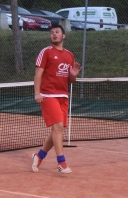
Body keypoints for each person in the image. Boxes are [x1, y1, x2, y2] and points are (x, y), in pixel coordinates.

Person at [32, 24, 82, 173]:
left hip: (63, 96)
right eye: (52, 32)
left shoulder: (69, 55)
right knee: (58, 127)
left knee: (56, 130)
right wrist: (37, 93)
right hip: (47, 95)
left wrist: (72, 75)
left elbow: (69, 80)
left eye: (57, 32)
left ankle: (39, 156)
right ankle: (61, 162)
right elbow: (38, 74)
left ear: (63, 36)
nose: (54, 34)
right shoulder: (45, 52)